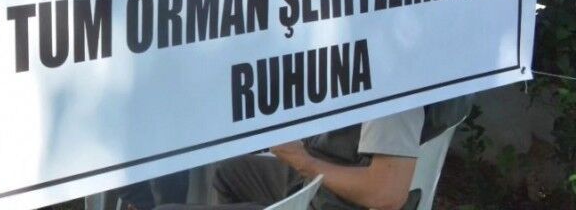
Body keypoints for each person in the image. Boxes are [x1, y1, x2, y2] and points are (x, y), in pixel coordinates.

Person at [156, 96, 472, 210]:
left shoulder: (394, 97)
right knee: (231, 172)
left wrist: (303, 161)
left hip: (335, 200)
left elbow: (386, 194)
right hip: (329, 171)